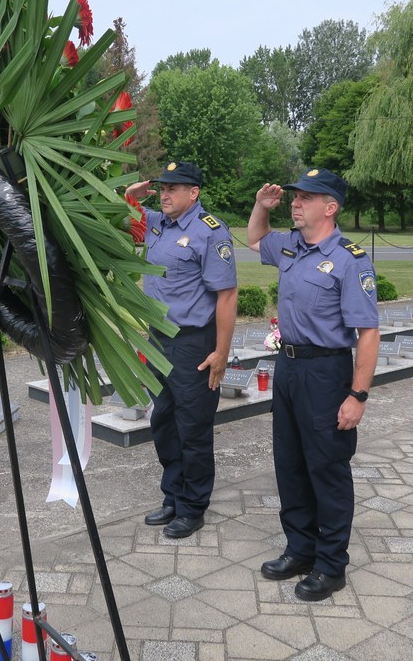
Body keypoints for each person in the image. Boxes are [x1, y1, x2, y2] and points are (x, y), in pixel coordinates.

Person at [246, 168, 380, 602]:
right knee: (290, 464)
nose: (295, 203)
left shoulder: (349, 258)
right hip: (288, 369)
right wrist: (260, 208)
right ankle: (300, 549)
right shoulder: (289, 245)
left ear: (330, 206)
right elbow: (253, 240)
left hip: (326, 374)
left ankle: (330, 565)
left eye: (305, 197)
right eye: (294, 196)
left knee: (327, 468)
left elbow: (368, 333)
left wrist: (357, 395)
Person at [125, 161, 237, 540]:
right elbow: (123, 215)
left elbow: (227, 295)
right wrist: (131, 195)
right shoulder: (156, 222)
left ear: (194, 193)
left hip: (193, 342)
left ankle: (193, 506)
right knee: (163, 422)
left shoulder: (211, 233)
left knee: (193, 426)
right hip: (159, 338)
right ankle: (173, 495)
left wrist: (221, 351)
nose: (165, 194)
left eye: (174, 188)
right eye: (162, 188)